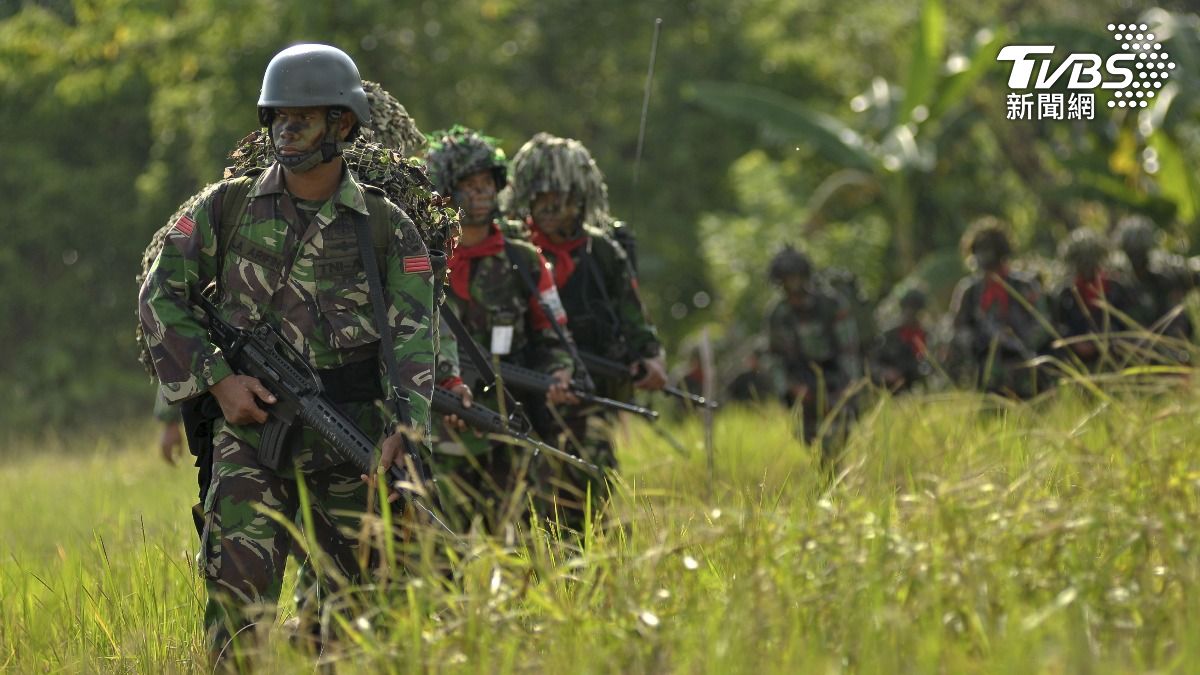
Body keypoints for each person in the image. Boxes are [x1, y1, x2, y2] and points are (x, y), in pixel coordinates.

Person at [138, 44, 436, 662]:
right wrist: (220, 382)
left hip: (352, 440)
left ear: (342, 124)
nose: (286, 129)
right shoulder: (227, 207)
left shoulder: (382, 227)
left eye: (302, 117)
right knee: (237, 613)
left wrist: (407, 430)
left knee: (355, 624)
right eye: (277, 116)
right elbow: (160, 297)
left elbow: (414, 337)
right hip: (252, 438)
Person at [505, 132, 666, 525]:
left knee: (590, 493)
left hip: (590, 391)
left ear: (578, 198)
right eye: (539, 198)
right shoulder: (512, 249)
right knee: (529, 502)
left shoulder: (602, 252)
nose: (547, 207)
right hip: (527, 392)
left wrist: (650, 357)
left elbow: (632, 315)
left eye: (556, 198)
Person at [424, 126, 576, 529]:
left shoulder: (524, 260)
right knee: (442, 554)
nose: (480, 194)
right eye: (468, 185)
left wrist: (560, 371)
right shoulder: (424, 259)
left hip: (512, 423)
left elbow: (553, 331)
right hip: (442, 434)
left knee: (520, 546)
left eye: (486, 184)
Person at [764, 245, 861, 460]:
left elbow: (849, 349)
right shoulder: (777, 314)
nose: (793, 284)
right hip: (800, 386)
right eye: (787, 279)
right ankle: (826, 478)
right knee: (810, 440)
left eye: (796, 277)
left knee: (838, 439)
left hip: (834, 379)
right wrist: (789, 388)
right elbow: (774, 357)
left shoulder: (831, 304)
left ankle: (836, 479)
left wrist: (847, 389)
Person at [949, 217, 1050, 398]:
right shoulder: (970, 291)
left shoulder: (1024, 285)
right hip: (985, 370)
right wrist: (979, 344)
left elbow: (1042, 323)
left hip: (1024, 366)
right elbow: (958, 328)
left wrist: (1022, 343)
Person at [1051, 228, 1136, 369]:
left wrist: (1104, 342)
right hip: (1076, 362)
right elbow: (1057, 326)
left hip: (1114, 359)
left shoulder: (1117, 289)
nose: (1087, 268)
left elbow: (1130, 325)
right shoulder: (1065, 293)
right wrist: (1073, 341)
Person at [869, 287, 930, 393]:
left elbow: (928, 363)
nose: (911, 314)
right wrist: (885, 372)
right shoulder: (888, 335)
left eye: (915, 310)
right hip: (891, 387)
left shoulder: (926, 334)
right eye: (909, 308)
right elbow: (872, 363)